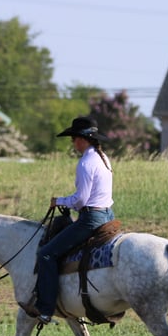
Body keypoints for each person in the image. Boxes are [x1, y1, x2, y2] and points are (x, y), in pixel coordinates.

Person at [21, 116, 115, 324]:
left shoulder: (85, 163)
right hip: (108, 214)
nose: (72, 143)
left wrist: (59, 201)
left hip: (91, 218)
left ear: (82, 139)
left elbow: (81, 199)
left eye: (74, 138)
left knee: (46, 254)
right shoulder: (103, 158)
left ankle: (45, 309)